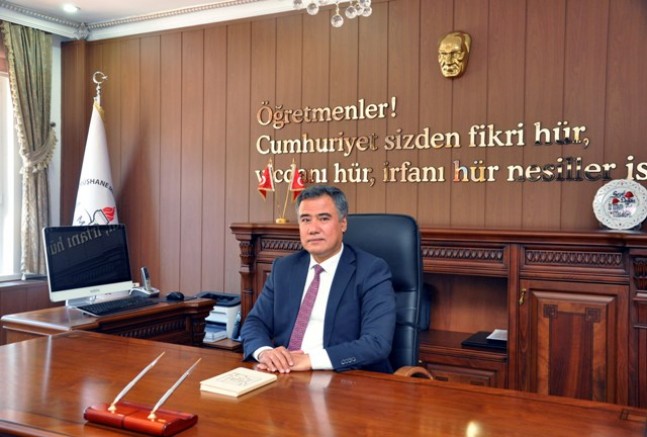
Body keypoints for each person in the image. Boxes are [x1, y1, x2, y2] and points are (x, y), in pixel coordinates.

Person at [241, 185, 396, 374]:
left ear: (343, 223)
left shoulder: (371, 270)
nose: (313, 229)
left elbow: (376, 343)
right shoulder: (284, 268)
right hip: (284, 374)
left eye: (323, 218)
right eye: (305, 220)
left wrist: (311, 360)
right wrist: (265, 353)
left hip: (344, 376)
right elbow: (255, 322)